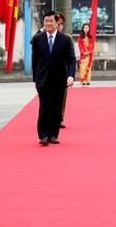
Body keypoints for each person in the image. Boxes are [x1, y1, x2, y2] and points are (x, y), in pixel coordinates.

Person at [32, 10, 76, 146]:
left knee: (56, 107)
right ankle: (43, 135)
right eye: (46, 21)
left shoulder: (65, 39)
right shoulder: (38, 39)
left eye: (51, 21)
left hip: (59, 79)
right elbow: (35, 61)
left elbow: (71, 60)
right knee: (44, 106)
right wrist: (36, 79)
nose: (48, 24)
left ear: (57, 23)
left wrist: (70, 76)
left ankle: (53, 134)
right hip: (43, 79)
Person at [56, 13, 72, 129]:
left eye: (60, 24)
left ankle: (59, 118)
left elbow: (71, 57)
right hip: (48, 72)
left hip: (62, 71)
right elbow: (32, 41)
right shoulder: (43, 36)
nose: (58, 26)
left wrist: (70, 74)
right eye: (56, 23)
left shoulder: (67, 38)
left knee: (62, 97)